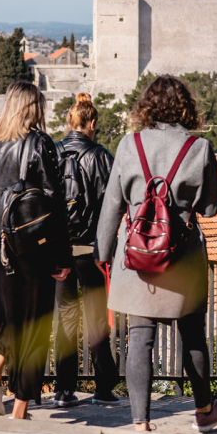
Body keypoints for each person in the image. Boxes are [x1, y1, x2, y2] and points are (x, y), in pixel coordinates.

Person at [95, 75, 217, 433]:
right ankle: (205, 409)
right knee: (192, 336)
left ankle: (140, 424)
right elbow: (212, 207)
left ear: (147, 107)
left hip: (137, 253)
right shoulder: (199, 149)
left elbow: (112, 203)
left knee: (140, 338)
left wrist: (103, 250)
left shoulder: (129, 144)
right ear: (186, 106)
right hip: (182, 255)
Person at [0, 80, 71, 420]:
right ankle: (20, 406)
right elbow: (55, 205)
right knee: (35, 322)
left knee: (8, 316)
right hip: (25, 241)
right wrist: (62, 257)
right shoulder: (40, 144)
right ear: (33, 108)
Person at [52, 93, 120, 407]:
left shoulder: (52, 152)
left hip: (59, 253)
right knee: (96, 321)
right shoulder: (101, 156)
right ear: (91, 124)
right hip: (92, 252)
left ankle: (63, 390)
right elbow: (112, 205)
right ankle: (104, 387)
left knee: (65, 320)